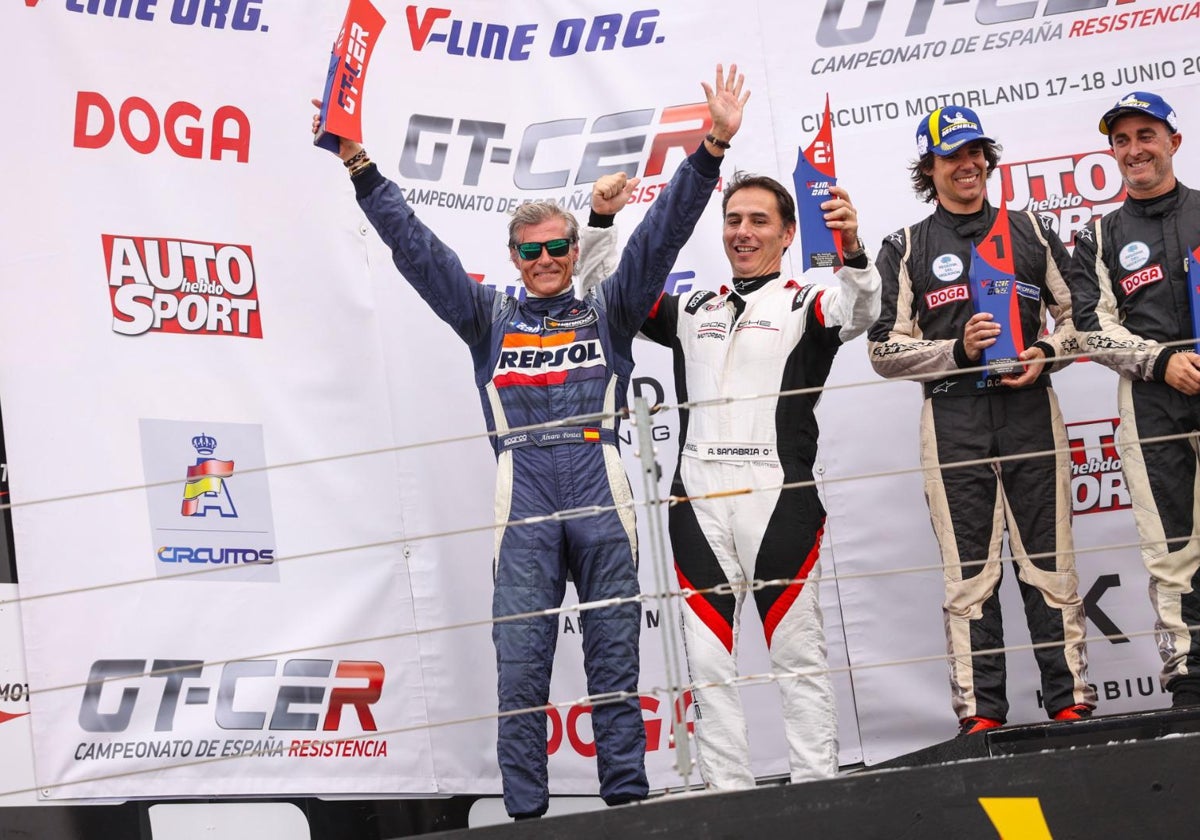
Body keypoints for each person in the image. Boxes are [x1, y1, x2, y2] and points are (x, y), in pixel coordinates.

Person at [313, 64, 748, 819]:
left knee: (616, 661)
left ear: (574, 250)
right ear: (512, 256)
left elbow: (661, 234)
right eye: (529, 251)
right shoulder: (485, 317)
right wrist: (360, 163)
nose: (544, 260)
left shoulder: (608, 312)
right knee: (519, 672)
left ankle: (628, 809)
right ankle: (523, 815)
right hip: (524, 497)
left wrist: (710, 148)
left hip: (599, 489)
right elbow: (417, 251)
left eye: (556, 248)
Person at [581, 171, 881, 788]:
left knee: (797, 658)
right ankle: (727, 798)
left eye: (759, 221)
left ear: (788, 232)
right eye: (733, 220)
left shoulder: (807, 303)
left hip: (778, 499)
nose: (743, 233)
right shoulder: (695, 307)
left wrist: (852, 253)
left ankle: (819, 791)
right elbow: (608, 298)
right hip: (697, 497)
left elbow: (862, 310)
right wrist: (603, 225)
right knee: (708, 663)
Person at [866, 106, 1097, 736]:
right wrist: (958, 353)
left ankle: (1070, 702)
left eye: (975, 153)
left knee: (1050, 562)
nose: (967, 165)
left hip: (1030, 409)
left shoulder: (1031, 230)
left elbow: (1083, 318)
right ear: (930, 168)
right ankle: (982, 715)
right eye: (952, 156)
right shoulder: (906, 245)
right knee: (970, 573)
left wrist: (1046, 354)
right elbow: (883, 349)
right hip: (953, 418)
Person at [1068, 91, 1200, 708]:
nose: (1133, 149)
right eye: (1121, 140)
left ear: (1173, 141)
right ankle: (1190, 673)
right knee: (1171, 545)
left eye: (1146, 135)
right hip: (1152, 404)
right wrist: (1160, 361)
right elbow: (1090, 325)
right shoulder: (1099, 234)